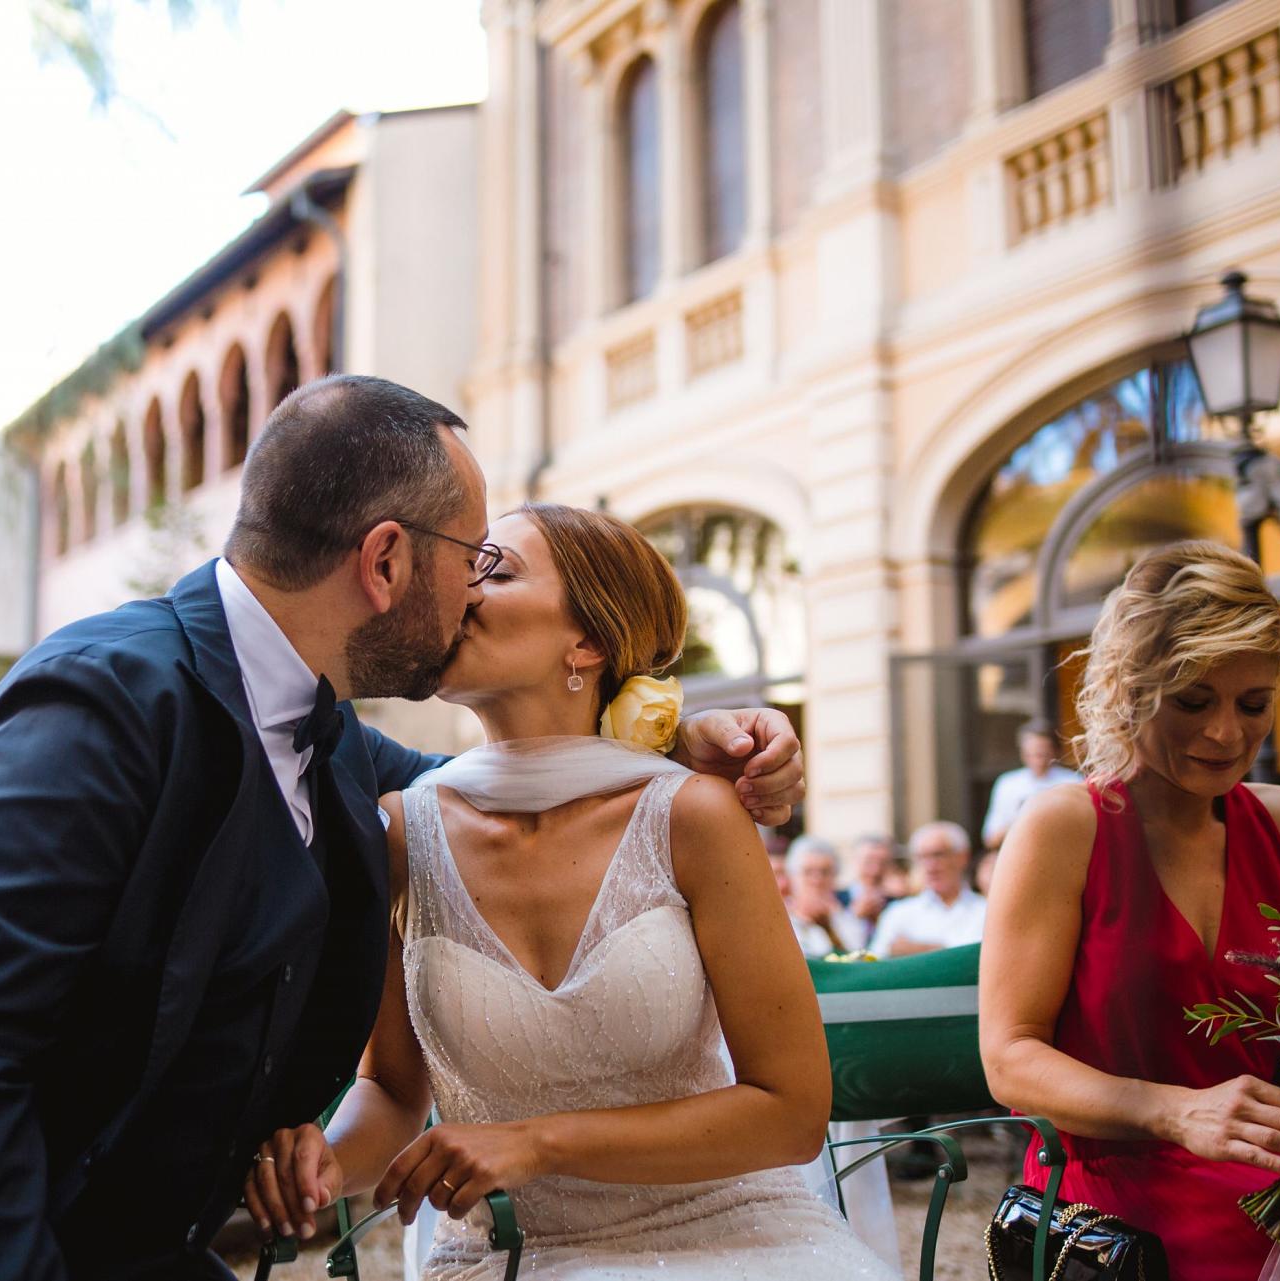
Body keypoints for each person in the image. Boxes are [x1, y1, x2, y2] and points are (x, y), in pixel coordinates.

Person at [0, 378, 809, 1281]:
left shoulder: (339, 743)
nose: (473, 592)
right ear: (389, 561)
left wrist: (686, 736)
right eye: (474, 554)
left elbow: (522, 790)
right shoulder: (104, 694)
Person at [244, 504, 892, 1280]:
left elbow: (789, 1112)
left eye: (498, 569)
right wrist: (325, 1163)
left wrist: (535, 1140)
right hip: (508, 1254)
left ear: (585, 640)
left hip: (735, 1239)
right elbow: (389, 1088)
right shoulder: (398, 834)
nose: (463, 589)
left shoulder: (693, 814)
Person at [979, 542, 1280, 1281]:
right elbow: (1010, 1058)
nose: (1227, 734)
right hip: (1116, 1210)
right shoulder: (1062, 827)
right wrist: (1177, 1112)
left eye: (1254, 702)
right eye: (1193, 700)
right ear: (1126, 687)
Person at [865, 821, 984, 958]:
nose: (931, 867)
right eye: (922, 857)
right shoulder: (897, 912)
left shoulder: (986, 911)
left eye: (938, 855)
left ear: (962, 857)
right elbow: (876, 959)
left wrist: (917, 948)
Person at [980, 721, 1082, 850]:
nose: (1037, 759)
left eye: (1042, 753)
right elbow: (991, 838)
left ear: (1054, 751)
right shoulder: (1008, 784)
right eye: (1032, 753)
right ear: (1022, 753)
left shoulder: (1072, 781)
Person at [786, 836, 868, 958]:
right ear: (793, 876)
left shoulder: (847, 918)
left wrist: (828, 929)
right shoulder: (780, 916)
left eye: (825, 872)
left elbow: (856, 962)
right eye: (808, 872)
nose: (816, 880)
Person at [842, 833, 895, 929]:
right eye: (868, 862)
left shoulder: (899, 905)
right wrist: (853, 915)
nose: (875, 870)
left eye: (882, 863)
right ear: (855, 860)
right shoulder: (836, 900)